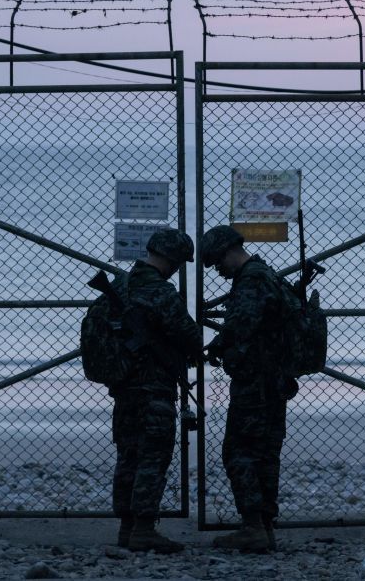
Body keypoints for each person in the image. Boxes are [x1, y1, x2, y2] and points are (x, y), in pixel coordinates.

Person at [200, 225, 296, 552]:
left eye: (216, 262)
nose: (218, 271)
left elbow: (241, 326)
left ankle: (253, 525)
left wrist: (220, 346)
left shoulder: (251, 280)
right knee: (265, 453)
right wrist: (221, 343)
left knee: (238, 451)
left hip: (256, 382)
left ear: (228, 250)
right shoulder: (265, 275)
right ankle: (264, 528)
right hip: (274, 379)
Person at [108, 228, 202, 553]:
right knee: (153, 457)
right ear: (173, 259)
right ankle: (144, 530)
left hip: (123, 388)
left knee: (128, 455)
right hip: (154, 388)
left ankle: (126, 528)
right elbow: (190, 336)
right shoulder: (160, 292)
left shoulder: (121, 284)